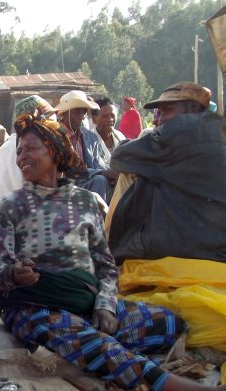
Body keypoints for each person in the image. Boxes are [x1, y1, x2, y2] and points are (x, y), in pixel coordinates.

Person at [0, 113, 226, 391]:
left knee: (168, 324)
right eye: (19, 151)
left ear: (55, 150)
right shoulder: (9, 207)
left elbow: (106, 266)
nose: (21, 157)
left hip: (86, 303)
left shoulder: (85, 202)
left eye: (30, 149)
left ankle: (91, 343)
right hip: (34, 307)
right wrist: (14, 274)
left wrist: (106, 306)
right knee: (102, 347)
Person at [106, 82, 225, 263]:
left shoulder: (179, 131)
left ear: (192, 107)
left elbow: (119, 158)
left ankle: (110, 251)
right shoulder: (218, 129)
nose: (158, 120)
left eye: (166, 111)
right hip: (217, 248)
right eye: (158, 113)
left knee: (132, 176)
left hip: (177, 247)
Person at [0, 95, 56, 250]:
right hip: (11, 247)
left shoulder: (10, 147)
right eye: (50, 119)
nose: (55, 124)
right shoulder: (27, 151)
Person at [54, 91, 112, 201]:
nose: (82, 116)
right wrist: (101, 173)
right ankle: (100, 216)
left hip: (88, 185)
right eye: (77, 111)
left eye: (84, 111)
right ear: (66, 113)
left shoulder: (90, 137)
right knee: (100, 180)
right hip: (64, 187)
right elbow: (65, 169)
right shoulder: (55, 135)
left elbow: (98, 164)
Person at [90, 97, 126, 168]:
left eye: (112, 115)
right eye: (105, 116)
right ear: (94, 119)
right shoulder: (89, 140)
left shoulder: (120, 137)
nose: (110, 119)